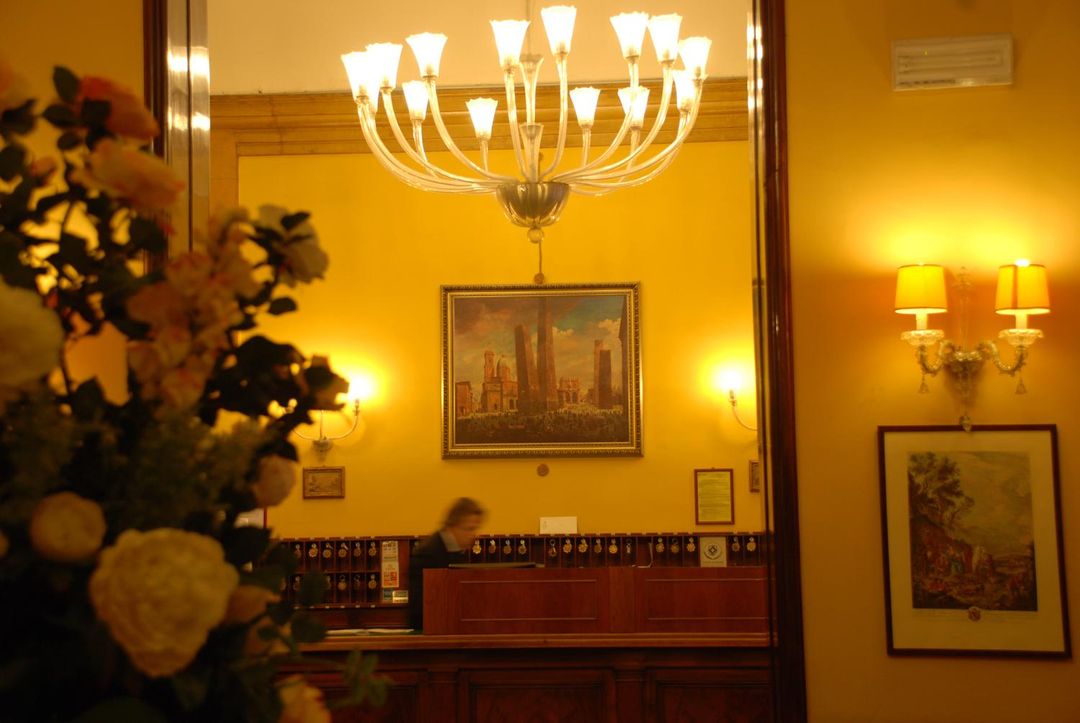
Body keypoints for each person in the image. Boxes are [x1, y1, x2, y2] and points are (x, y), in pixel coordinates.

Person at [407, 497, 485, 631]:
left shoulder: (456, 550)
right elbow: (420, 605)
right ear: (453, 525)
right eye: (469, 529)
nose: (473, 535)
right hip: (430, 632)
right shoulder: (428, 552)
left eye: (475, 529)